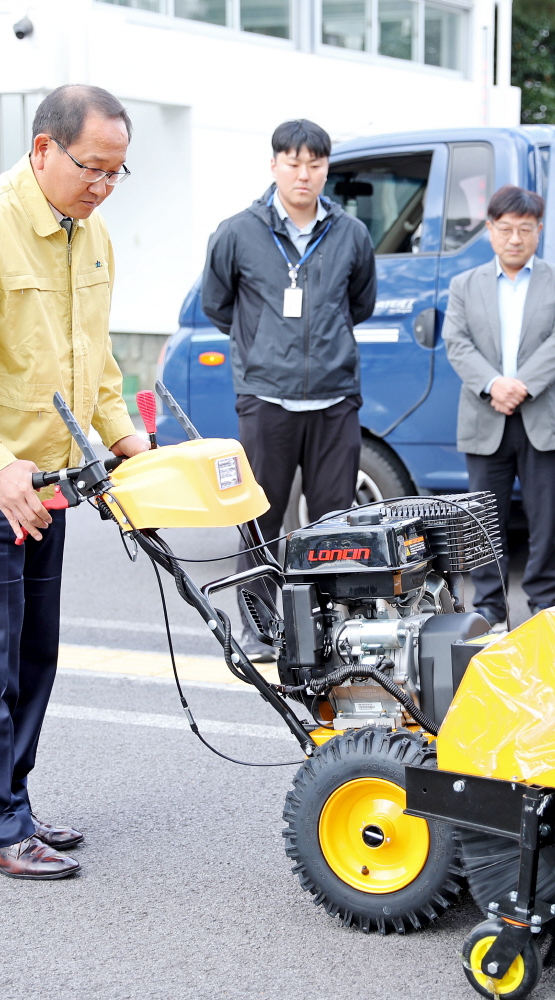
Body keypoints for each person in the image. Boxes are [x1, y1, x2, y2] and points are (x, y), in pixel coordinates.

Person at [0, 84, 150, 879]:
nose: (104, 186)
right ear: (44, 149)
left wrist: (122, 433)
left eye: (118, 173)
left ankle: (6, 798)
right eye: (93, 169)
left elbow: (96, 354)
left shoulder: (94, 234)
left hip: (50, 479)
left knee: (34, 649)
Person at [201, 119, 377, 661]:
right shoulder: (237, 232)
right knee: (262, 518)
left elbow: (361, 304)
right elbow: (217, 303)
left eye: (316, 164)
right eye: (293, 162)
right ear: (274, 164)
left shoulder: (351, 234)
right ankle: (259, 627)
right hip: (267, 398)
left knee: (334, 523)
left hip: (334, 399)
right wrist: (264, 346)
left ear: (327, 169)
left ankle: (330, 630)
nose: (304, 174)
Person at [445, 185, 555, 628]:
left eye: (525, 229)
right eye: (505, 229)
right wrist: (493, 384)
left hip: (545, 415)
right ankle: (491, 607)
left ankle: (544, 602)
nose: (515, 238)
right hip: (487, 415)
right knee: (485, 518)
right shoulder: (465, 285)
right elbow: (457, 342)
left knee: (546, 519)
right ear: (490, 230)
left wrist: (521, 385)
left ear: (539, 231)